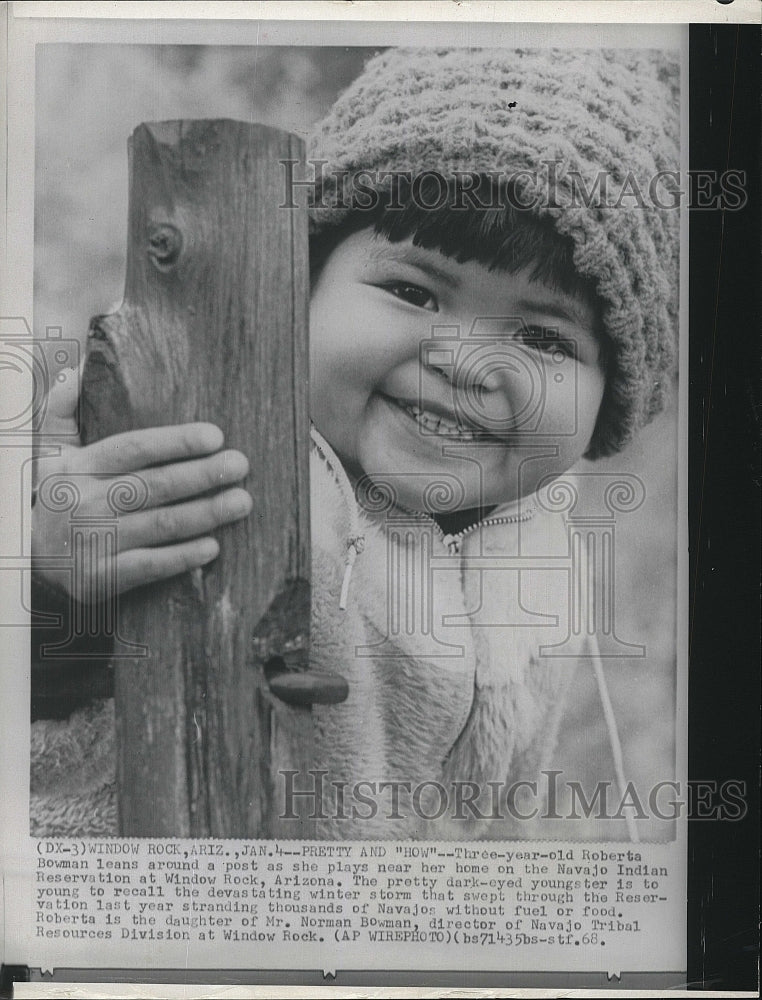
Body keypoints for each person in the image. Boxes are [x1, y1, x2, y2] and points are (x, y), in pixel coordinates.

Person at [30, 47, 679, 839]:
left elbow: (494, 836)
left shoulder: (537, 560)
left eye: (545, 339)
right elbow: (45, 742)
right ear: (296, 288)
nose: (467, 362)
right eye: (413, 291)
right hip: (144, 936)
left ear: (612, 401)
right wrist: (59, 591)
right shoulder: (216, 456)